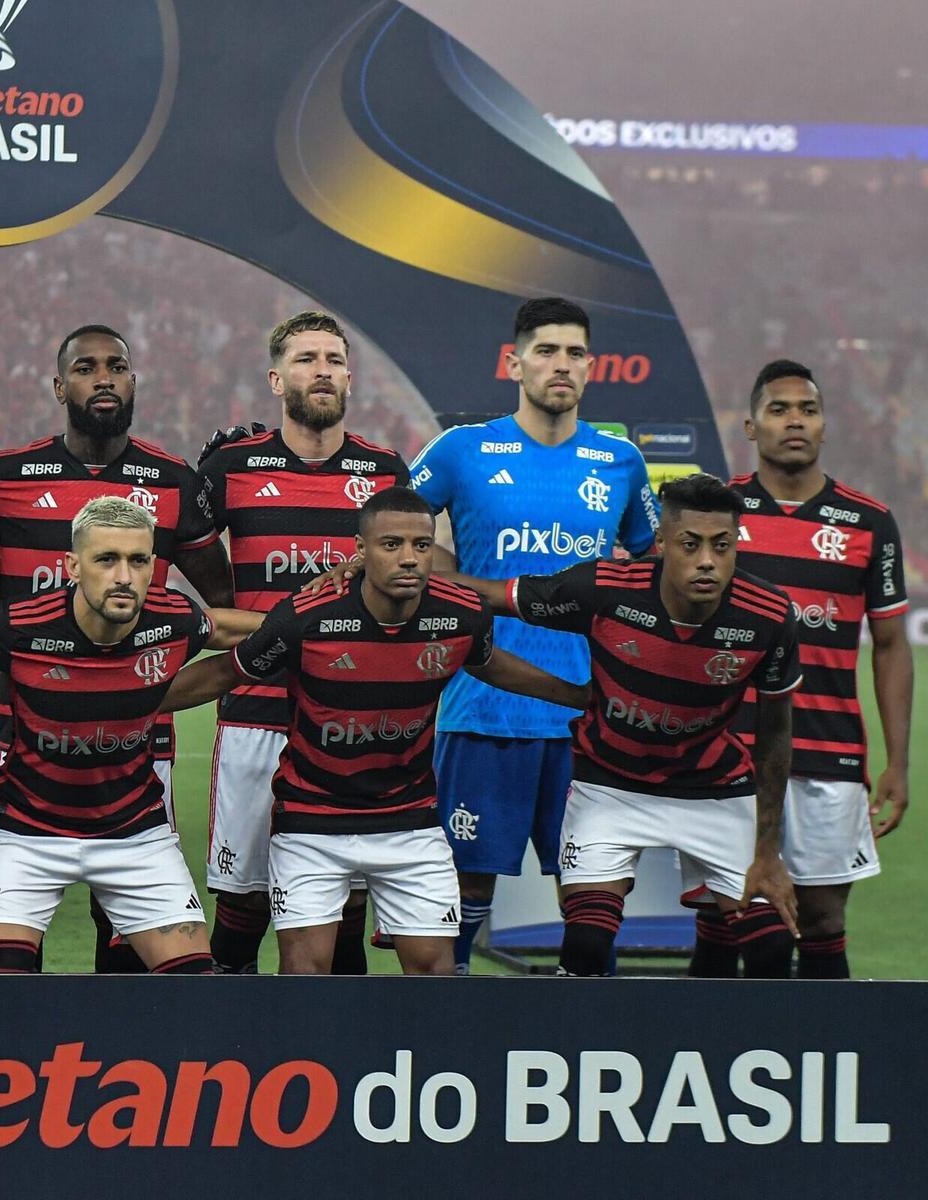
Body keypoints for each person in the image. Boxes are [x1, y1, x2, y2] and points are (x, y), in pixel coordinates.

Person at [161, 489, 586, 974]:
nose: (409, 558)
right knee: (305, 973)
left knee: (433, 972)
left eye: (421, 546)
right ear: (360, 550)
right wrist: (128, 702)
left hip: (409, 822)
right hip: (311, 819)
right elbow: (225, 672)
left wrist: (578, 695)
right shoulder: (306, 617)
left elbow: (488, 663)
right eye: (391, 544)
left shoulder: (463, 614)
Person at [0, 324, 234, 972]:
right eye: (86, 367)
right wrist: (18, 617)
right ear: (61, 386)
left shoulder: (172, 480)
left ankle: (115, 1067)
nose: (104, 377)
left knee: (128, 946)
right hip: (28, 727)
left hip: (143, 740)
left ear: (134, 382)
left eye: (117, 366)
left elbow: (218, 591)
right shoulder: (8, 475)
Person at [403, 297, 659, 972]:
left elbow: (656, 560)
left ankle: (585, 1038)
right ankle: (447, 1030)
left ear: (591, 367)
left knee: (589, 893)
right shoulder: (464, 450)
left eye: (575, 352)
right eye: (546, 351)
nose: (561, 365)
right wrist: (456, 584)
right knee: (466, 886)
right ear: (515, 363)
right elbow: (392, 524)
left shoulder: (620, 462)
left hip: (586, 714)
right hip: (483, 708)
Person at [489, 473, 801, 977]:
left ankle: (723, 1049)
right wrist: (395, 577)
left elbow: (776, 734)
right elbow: (494, 597)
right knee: (587, 944)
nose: (707, 561)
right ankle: (574, 1050)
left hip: (714, 788)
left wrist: (768, 852)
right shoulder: (602, 588)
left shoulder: (769, 614)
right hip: (609, 784)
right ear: (660, 544)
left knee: (770, 950)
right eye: (690, 544)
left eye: (722, 546)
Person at [0, 497, 253, 974]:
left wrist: (313, 626)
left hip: (135, 835)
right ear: (73, 567)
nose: (124, 575)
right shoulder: (19, 625)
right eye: (107, 559)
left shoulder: (173, 618)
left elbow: (226, 630)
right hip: (25, 835)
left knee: (197, 995)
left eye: (138, 560)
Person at [196, 310, 411, 973]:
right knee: (242, 910)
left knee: (342, 911)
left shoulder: (384, 470)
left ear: (349, 376)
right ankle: (229, 1064)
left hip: (347, 721)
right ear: (275, 376)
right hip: (256, 713)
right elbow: (194, 562)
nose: (322, 370)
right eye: (306, 358)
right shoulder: (231, 464)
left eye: (333, 359)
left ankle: (341, 1064)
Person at [686, 360, 913, 979]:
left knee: (822, 921)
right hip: (727, 751)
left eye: (807, 410)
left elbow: (891, 645)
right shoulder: (717, 519)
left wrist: (898, 762)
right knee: (728, 915)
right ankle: (703, 1059)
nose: (795, 421)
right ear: (751, 426)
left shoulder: (868, 523)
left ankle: (824, 1065)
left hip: (829, 753)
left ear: (823, 425)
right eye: (779, 409)